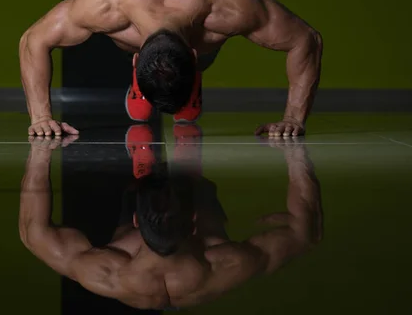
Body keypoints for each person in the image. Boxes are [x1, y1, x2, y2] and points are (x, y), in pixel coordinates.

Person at [19, 0, 323, 138]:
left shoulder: (229, 8)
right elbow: (33, 40)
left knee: (198, 50)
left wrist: (293, 118)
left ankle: (184, 77)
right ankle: (160, 83)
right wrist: (40, 118)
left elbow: (306, 40)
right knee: (165, 59)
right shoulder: (106, 4)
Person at [19, 133, 323, 310]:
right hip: (196, 195)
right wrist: (294, 152)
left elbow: (33, 233)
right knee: (190, 166)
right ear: (193, 222)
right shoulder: (227, 265)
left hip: (150, 213)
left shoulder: (106, 274)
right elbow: (306, 233)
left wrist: (41, 150)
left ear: (137, 220)